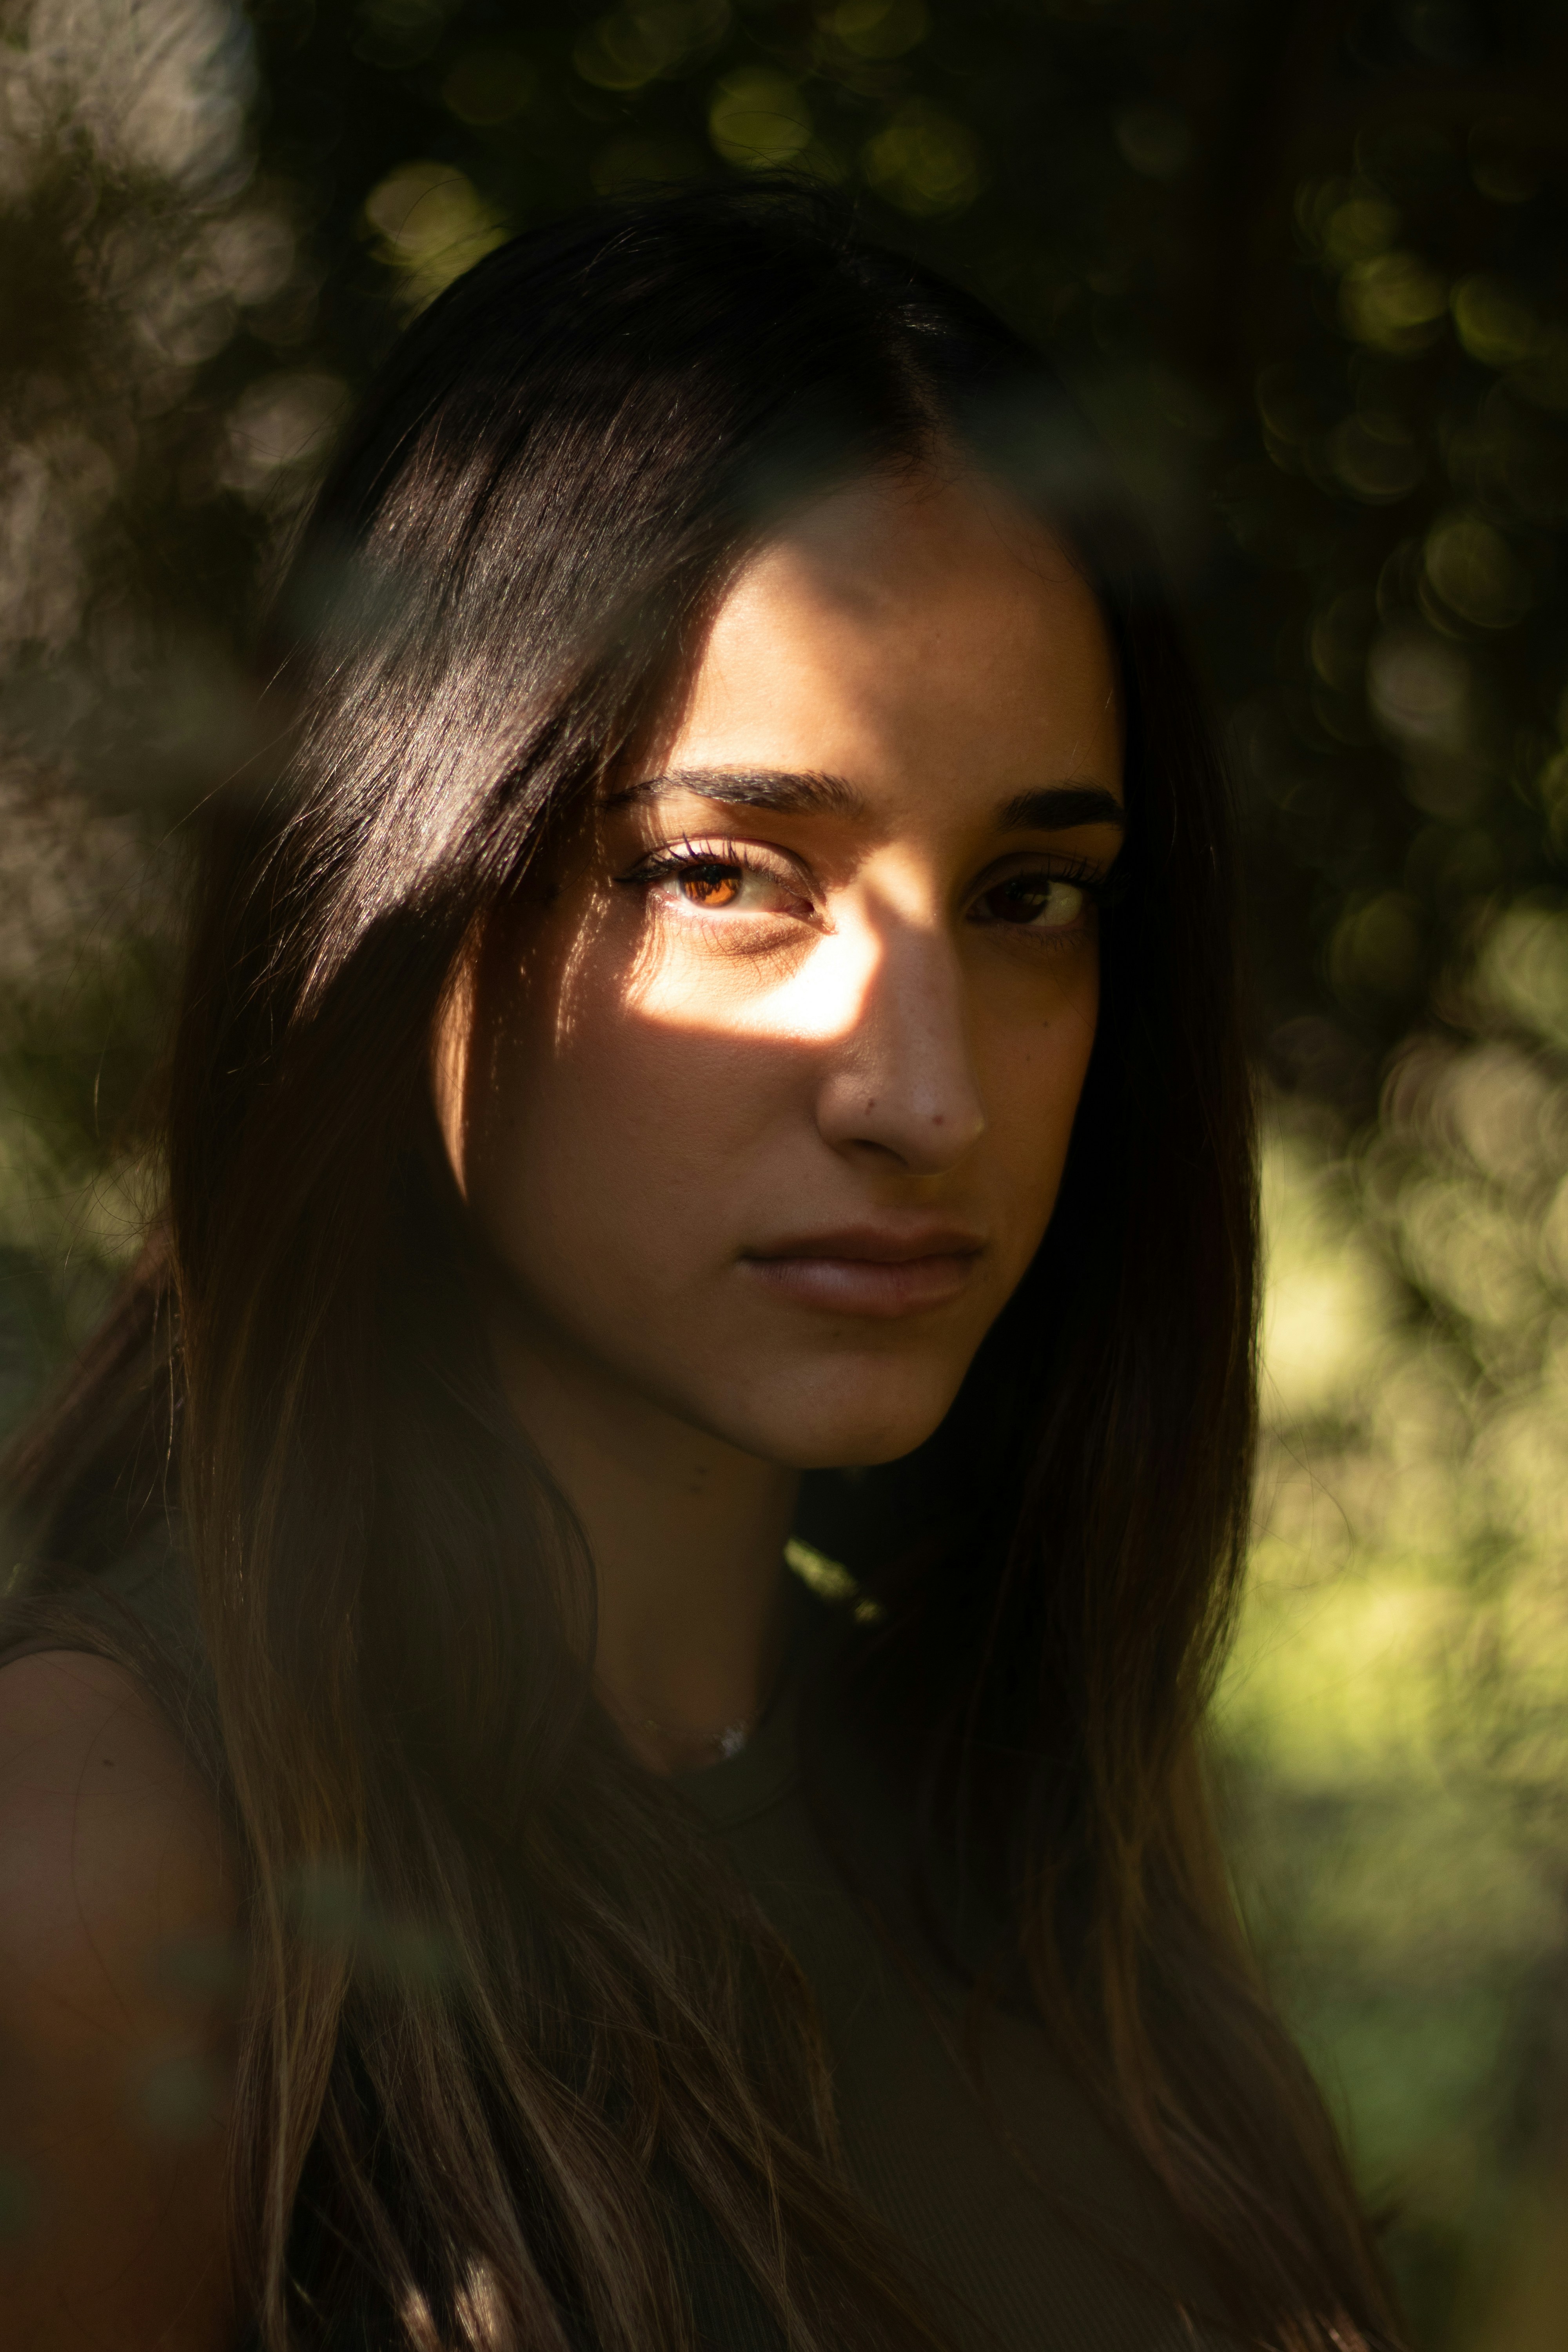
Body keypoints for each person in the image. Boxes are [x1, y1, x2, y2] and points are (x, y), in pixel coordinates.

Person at [0, 183, 1401, 2352]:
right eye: (730, 872)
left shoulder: (1015, 1833)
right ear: (406, 872)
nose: (924, 1093)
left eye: (1031, 894)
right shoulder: (104, 1880)